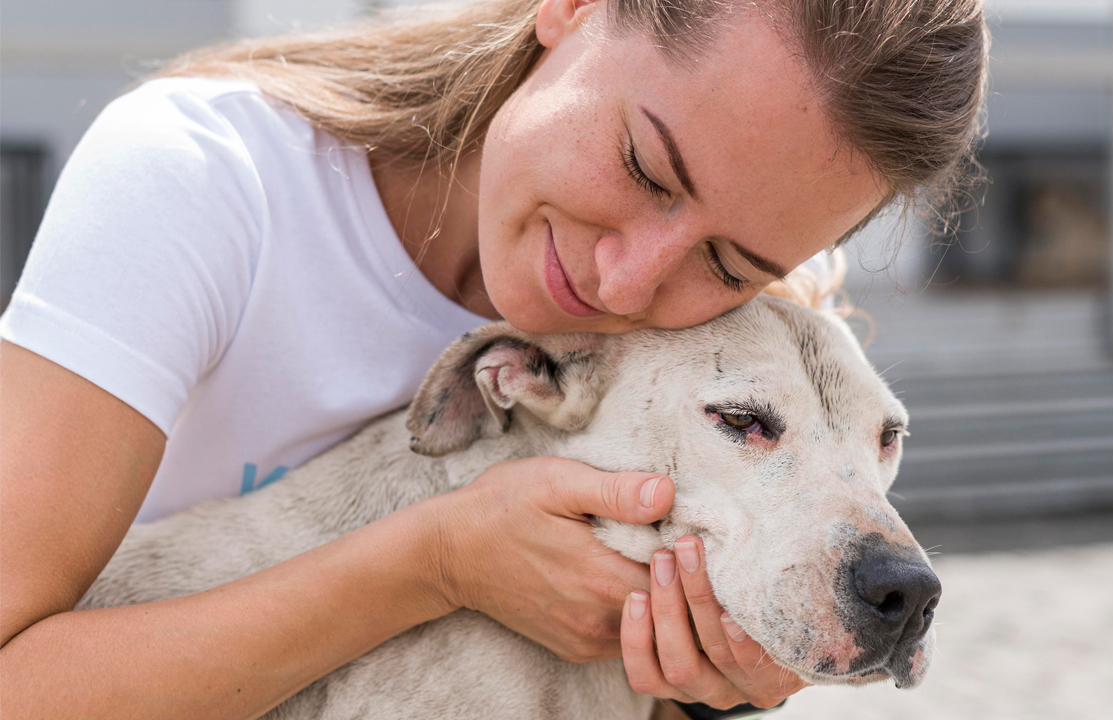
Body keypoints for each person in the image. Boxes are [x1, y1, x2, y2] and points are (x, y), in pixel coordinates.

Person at [0, 0, 988, 717]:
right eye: (643, 168)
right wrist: (436, 563)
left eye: (730, 263)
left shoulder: (743, 343)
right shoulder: (203, 183)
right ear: (569, 9)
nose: (628, 280)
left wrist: (709, 692)